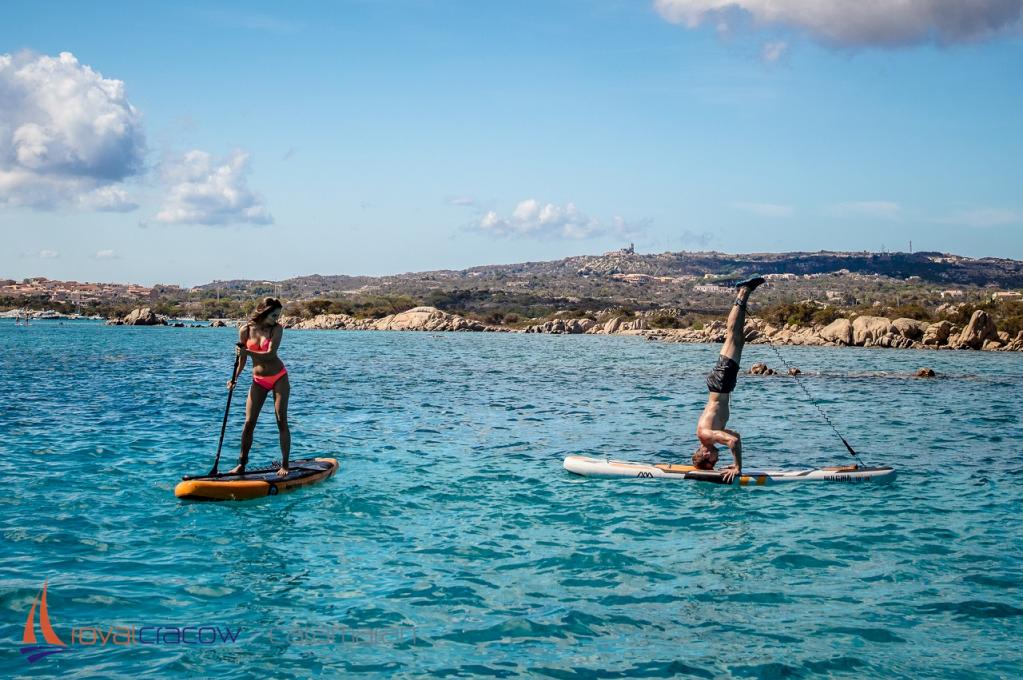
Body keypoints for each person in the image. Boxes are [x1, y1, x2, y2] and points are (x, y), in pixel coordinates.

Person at [693, 276, 765, 483]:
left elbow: (732, 442)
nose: (716, 460)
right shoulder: (710, 434)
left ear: (706, 456)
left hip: (721, 384)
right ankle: (743, 296)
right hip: (721, 385)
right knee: (737, 339)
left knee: (732, 337)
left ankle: (742, 293)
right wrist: (734, 457)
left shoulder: (707, 435)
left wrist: (737, 467)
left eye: (713, 462)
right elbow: (736, 437)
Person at [227, 297, 290, 477]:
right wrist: (234, 379)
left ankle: (285, 465)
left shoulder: (277, 329)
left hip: (279, 378)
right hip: (258, 380)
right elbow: (243, 359)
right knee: (248, 423)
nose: (276, 319)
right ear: (263, 312)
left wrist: (246, 351)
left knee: (281, 421)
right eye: (273, 315)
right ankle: (241, 464)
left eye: (278, 315)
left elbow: (270, 354)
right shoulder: (245, 330)